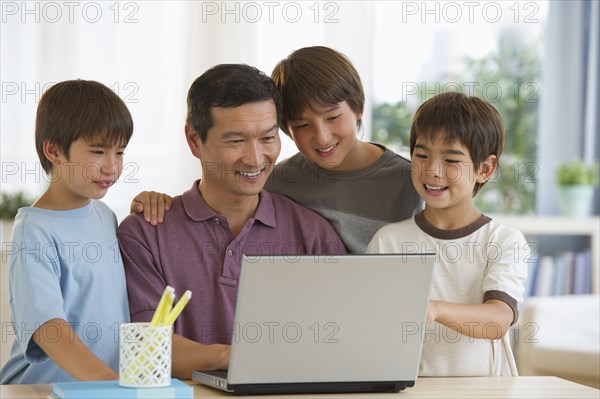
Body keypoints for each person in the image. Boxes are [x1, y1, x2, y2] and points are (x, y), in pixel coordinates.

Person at [117, 64, 346, 379]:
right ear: (194, 140)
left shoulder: (313, 233)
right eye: (236, 141)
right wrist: (237, 356)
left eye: (268, 138)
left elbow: (341, 343)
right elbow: (147, 348)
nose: (255, 158)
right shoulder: (144, 234)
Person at [367, 92, 529, 376]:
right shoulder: (388, 240)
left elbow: (497, 320)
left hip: (487, 391)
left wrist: (434, 309)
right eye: (421, 155)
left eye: (451, 160)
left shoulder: (503, 240)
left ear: (485, 169)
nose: (432, 170)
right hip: (411, 389)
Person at [0, 80, 134, 383]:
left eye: (120, 152)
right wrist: (108, 382)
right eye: (98, 151)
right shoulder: (33, 230)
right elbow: (49, 328)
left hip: (101, 388)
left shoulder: (105, 216)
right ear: (54, 150)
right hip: (41, 388)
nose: (111, 167)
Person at [264, 46, 422, 253]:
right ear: (286, 129)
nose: (322, 137)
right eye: (303, 125)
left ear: (358, 109)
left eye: (332, 118)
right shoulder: (275, 183)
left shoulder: (410, 182)